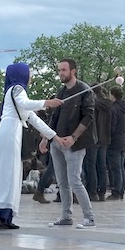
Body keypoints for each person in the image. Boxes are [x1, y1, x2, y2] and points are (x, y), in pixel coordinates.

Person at [0, 63, 61, 229]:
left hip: (11, 132)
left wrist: (53, 135)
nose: (30, 76)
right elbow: (25, 104)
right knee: (8, 173)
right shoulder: (17, 89)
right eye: (29, 73)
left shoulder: (13, 90)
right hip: (10, 133)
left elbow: (33, 118)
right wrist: (46, 102)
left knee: (9, 174)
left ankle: (3, 214)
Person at [45, 58, 97, 229]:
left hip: (74, 143)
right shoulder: (61, 92)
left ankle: (89, 217)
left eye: (63, 70)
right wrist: (46, 138)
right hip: (57, 141)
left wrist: (74, 137)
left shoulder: (84, 90)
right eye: (59, 70)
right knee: (62, 182)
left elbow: (88, 116)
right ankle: (66, 216)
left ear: (73, 71)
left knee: (74, 180)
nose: (60, 73)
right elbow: (54, 117)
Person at [85, 86, 113, 202]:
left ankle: (92, 192)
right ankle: (102, 192)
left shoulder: (93, 103)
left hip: (94, 138)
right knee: (102, 166)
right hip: (105, 138)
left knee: (91, 166)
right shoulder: (109, 105)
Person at [105, 85, 125, 201]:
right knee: (120, 167)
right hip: (123, 139)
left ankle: (116, 191)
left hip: (114, 141)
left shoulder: (113, 109)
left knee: (115, 168)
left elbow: (111, 126)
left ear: (113, 95)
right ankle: (121, 190)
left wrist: (108, 136)